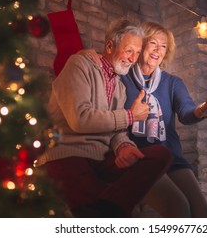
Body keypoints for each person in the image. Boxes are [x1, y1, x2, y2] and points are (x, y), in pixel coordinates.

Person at [35, 19, 172, 218]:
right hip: (67, 155)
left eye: (136, 52)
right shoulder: (78, 65)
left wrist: (124, 147)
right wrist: (130, 116)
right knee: (104, 213)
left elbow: (116, 132)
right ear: (109, 46)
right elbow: (80, 119)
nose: (133, 58)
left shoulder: (119, 86)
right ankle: (107, 212)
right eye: (129, 51)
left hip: (100, 159)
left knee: (160, 155)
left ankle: (106, 209)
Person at [121, 21, 207, 217]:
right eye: (153, 43)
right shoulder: (122, 79)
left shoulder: (172, 83)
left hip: (171, 158)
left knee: (203, 213)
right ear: (141, 45)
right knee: (179, 210)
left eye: (164, 46)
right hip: (140, 157)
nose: (158, 50)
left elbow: (188, 114)